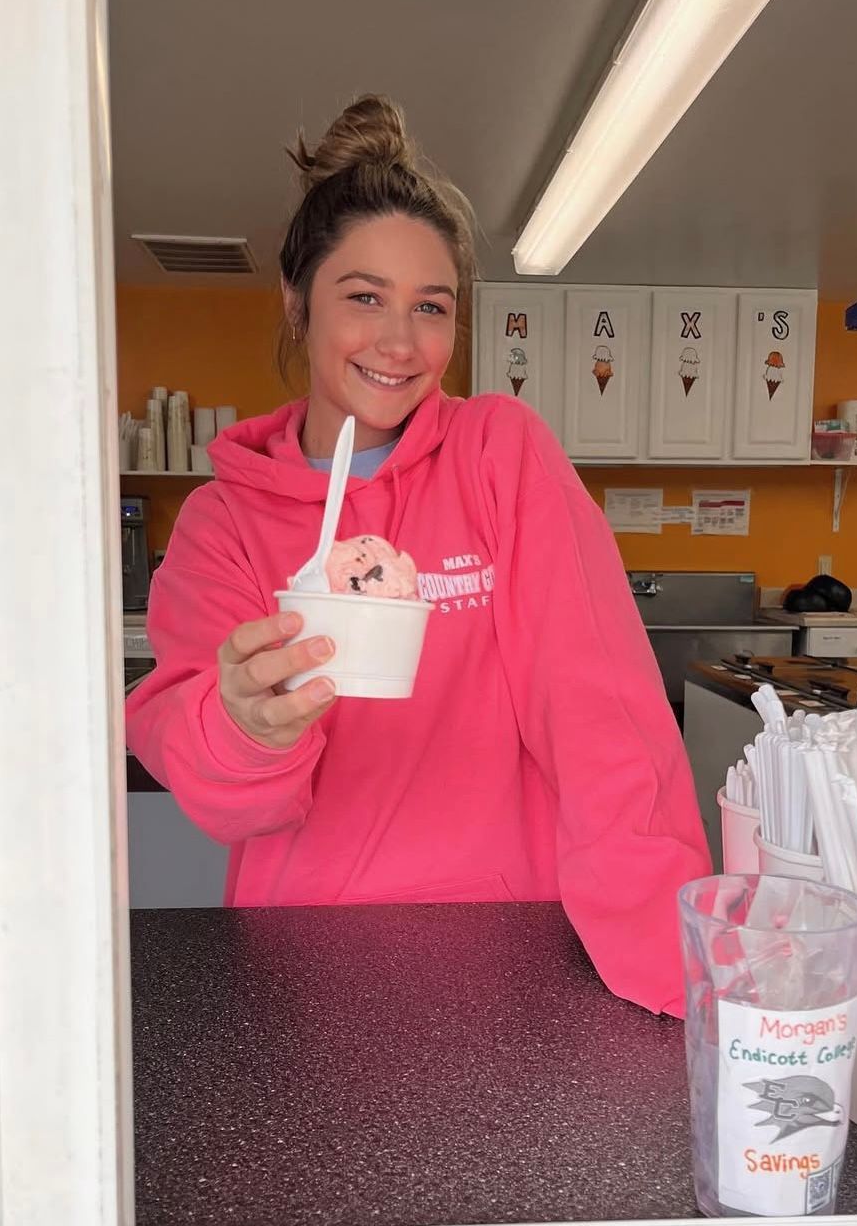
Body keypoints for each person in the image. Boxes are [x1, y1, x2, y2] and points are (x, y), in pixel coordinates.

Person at [125, 95, 710, 1017]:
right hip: (302, 963)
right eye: (363, 297)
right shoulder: (223, 522)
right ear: (294, 300)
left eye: (429, 308)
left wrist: (671, 974)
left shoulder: (498, 456)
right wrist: (249, 729)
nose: (399, 342)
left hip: (508, 946)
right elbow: (223, 797)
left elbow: (600, 716)